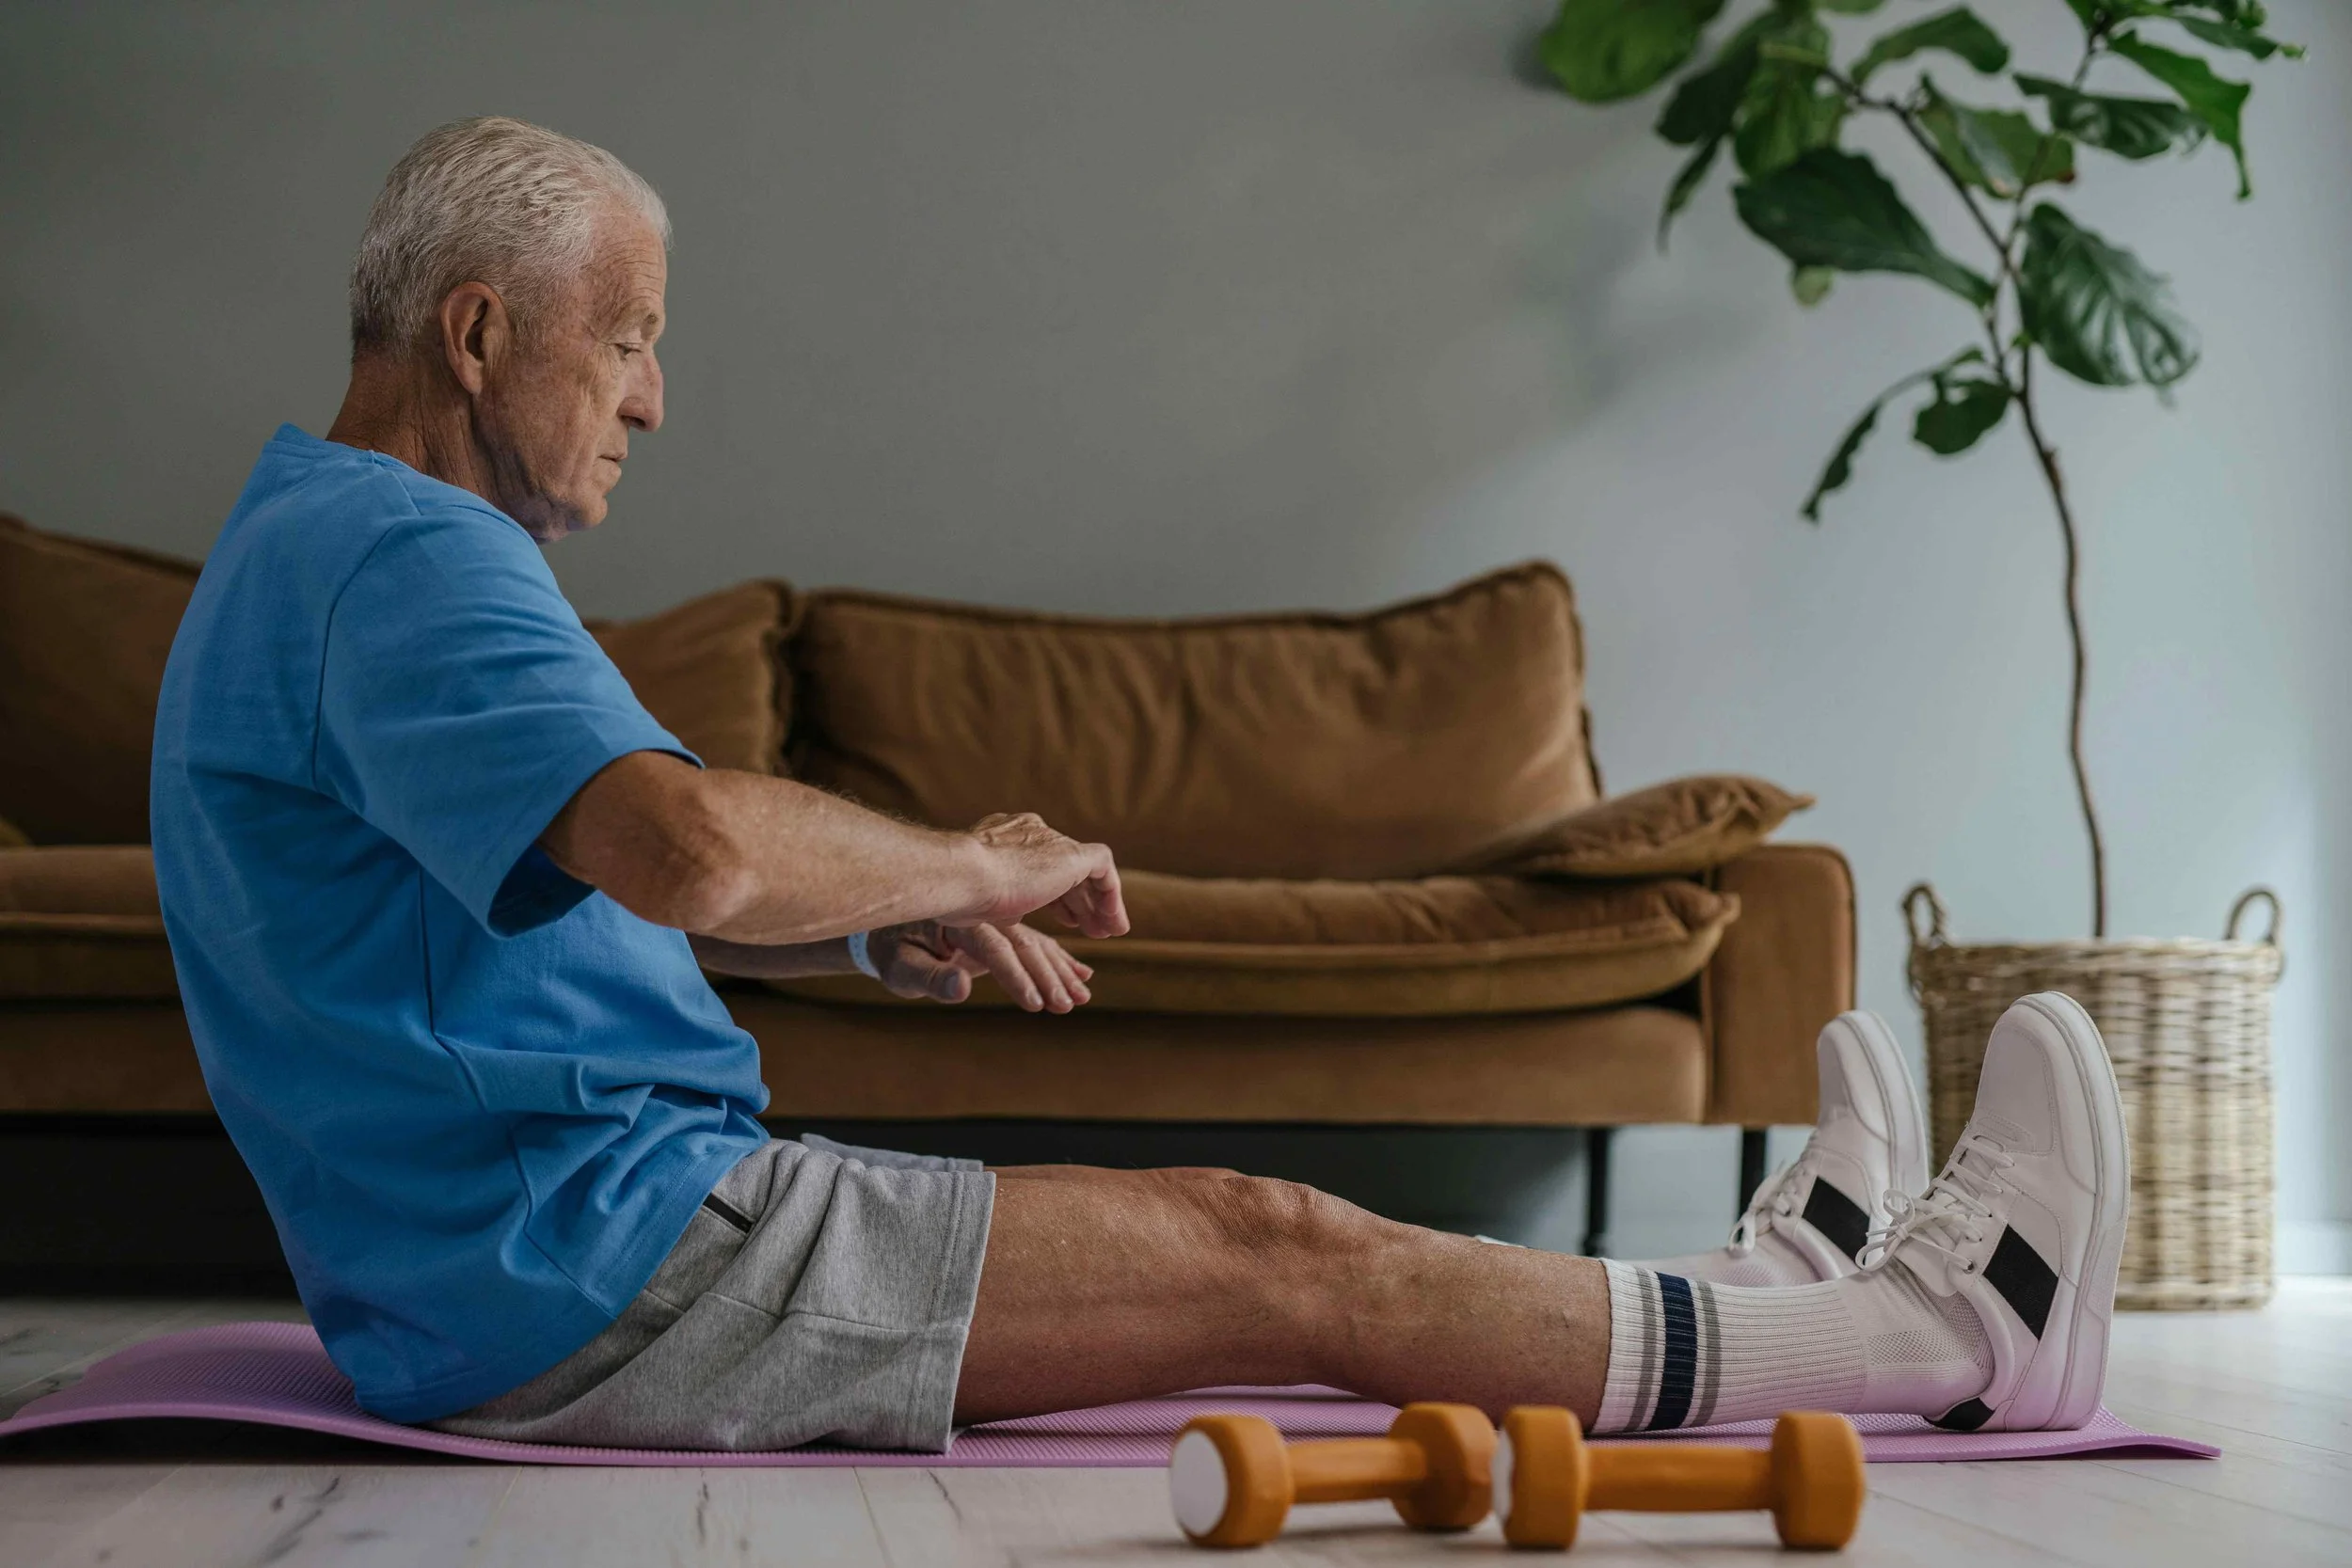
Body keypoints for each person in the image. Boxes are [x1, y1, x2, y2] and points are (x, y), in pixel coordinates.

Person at [151, 117, 2128, 1452]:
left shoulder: (309, 543)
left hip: (532, 1257)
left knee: (1276, 1237)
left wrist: (870, 921)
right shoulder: (404, 557)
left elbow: (518, 933)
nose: (656, 394)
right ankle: (1944, 1343)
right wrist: (969, 858)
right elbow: (682, 841)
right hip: (608, 1266)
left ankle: (1749, 1289)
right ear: (480, 333)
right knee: (1275, 1241)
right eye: (630, 339)